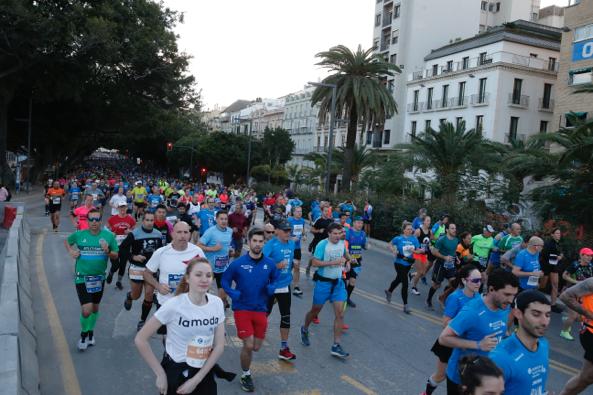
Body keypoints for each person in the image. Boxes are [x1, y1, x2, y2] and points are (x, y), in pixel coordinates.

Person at [135, 258, 225, 395]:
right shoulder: (174, 305)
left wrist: (196, 380)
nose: (204, 279)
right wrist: (160, 374)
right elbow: (140, 339)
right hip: (176, 372)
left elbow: (219, 346)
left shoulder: (217, 303)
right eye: (198, 274)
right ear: (187, 278)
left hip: (204, 371)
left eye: (208, 275)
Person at [438, 269, 519, 395]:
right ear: (491, 289)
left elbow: (500, 333)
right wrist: (478, 345)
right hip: (462, 379)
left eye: (514, 295)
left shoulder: (504, 307)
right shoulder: (472, 311)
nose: (511, 300)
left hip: (487, 377)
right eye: (507, 294)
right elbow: (443, 338)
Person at [222, 228, 280, 393]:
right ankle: (246, 375)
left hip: (261, 309)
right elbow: (225, 281)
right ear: (249, 242)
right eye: (254, 241)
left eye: (260, 241)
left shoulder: (269, 263)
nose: (257, 244)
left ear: (264, 243)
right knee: (248, 345)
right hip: (242, 308)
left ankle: (247, 364)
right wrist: (232, 293)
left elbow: (276, 277)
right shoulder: (238, 264)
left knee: (255, 347)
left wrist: (272, 287)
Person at [63, 208, 119, 350]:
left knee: (94, 308)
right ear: (87, 221)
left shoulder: (109, 236)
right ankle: (83, 335)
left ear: (101, 221)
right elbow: (67, 241)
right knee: (86, 310)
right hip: (82, 277)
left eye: (97, 219)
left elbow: (115, 255)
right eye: (91, 219)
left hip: (99, 278)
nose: (94, 222)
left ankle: (90, 333)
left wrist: (107, 251)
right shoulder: (80, 235)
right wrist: (71, 251)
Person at [423, 264, 481, 395]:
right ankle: (426, 393)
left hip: (466, 344)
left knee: (464, 379)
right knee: (441, 375)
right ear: (464, 280)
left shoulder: (479, 298)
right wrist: (464, 321)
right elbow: (446, 322)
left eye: (480, 280)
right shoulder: (455, 297)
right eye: (475, 280)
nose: (479, 284)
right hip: (450, 343)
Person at [143, 222, 207, 335]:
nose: (183, 235)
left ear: (190, 234)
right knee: (166, 336)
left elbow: (206, 274)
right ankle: (167, 352)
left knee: (186, 336)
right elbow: (147, 273)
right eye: (179, 232)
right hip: (166, 303)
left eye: (186, 232)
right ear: (172, 234)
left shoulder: (197, 252)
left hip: (190, 304)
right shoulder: (162, 252)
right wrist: (158, 286)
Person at [301, 223, 352, 359]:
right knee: (315, 311)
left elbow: (346, 255)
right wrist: (334, 262)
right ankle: (305, 328)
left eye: (339, 233)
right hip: (323, 283)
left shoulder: (342, 243)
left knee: (340, 314)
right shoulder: (322, 245)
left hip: (338, 283)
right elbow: (315, 263)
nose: (337, 236)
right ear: (329, 233)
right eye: (334, 233)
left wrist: (348, 263)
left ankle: (336, 345)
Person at [489, 290, 551, 395]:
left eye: (547, 315)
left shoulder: (544, 344)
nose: (544, 322)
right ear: (518, 313)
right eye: (536, 314)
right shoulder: (500, 358)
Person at [118, 211, 164, 331]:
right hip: (137, 268)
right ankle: (129, 296)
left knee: (149, 295)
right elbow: (122, 249)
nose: (149, 223)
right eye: (147, 220)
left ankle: (142, 320)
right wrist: (133, 257)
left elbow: (160, 252)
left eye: (151, 220)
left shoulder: (158, 234)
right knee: (136, 295)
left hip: (151, 269)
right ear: (143, 221)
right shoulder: (134, 234)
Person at [263, 221, 296, 361]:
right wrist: (276, 266)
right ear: (277, 231)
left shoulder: (292, 244)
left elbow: (291, 261)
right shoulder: (271, 245)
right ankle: (258, 328)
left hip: (284, 284)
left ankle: (284, 348)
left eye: (289, 230)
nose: (288, 233)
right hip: (271, 285)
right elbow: (261, 263)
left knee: (286, 316)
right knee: (265, 312)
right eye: (285, 231)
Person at [558, 276, 593, 395]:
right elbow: (565, 296)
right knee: (586, 377)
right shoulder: (591, 282)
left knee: (587, 377)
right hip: (591, 333)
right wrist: (587, 313)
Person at [385, 221, 422, 314]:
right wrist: (393, 249)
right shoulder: (399, 238)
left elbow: (419, 251)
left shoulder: (414, 239)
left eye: (411, 229)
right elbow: (389, 244)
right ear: (404, 230)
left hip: (408, 264)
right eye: (408, 229)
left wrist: (416, 251)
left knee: (399, 279)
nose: (410, 231)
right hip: (399, 263)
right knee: (405, 283)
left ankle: (389, 291)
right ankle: (405, 305)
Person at [198, 210, 233, 307]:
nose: (224, 221)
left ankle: (220, 308)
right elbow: (199, 245)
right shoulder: (210, 232)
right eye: (221, 219)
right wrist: (212, 249)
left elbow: (227, 245)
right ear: (216, 220)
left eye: (225, 219)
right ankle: (202, 308)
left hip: (223, 267)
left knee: (223, 295)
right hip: (210, 267)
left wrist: (230, 251)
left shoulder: (230, 231)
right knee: (204, 291)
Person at [560, 247, 593, 341]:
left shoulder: (591, 266)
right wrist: (576, 282)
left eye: (591, 256)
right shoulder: (575, 265)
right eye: (587, 255)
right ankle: (564, 331)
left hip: (585, 294)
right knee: (573, 315)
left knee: (580, 317)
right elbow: (564, 275)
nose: (589, 258)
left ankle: (567, 319)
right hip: (573, 293)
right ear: (581, 255)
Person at [427, 223, 460, 311]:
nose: (454, 230)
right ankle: (429, 300)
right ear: (447, 230)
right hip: (441, 264)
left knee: (454, 283)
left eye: (455, 228)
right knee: (436, 285)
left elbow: (453, 251)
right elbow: (434, 252)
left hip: (450, 265)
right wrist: (444, 257)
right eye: (452, 228)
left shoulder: (456, 240)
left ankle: (443, 297)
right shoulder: (442, 240)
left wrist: (456, 258)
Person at [105, 202, 136, 289]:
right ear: (118, 208)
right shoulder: (112, 219)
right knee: (115, 264)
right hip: (114, 244)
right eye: (120, 207)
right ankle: (111, 273)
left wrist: (129, 231)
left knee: (122, 265)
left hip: (125, 245)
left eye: (124, 207)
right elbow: (105, 229)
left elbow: (134, 230)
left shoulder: (130, 219)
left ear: (126, 208)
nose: (122, 209)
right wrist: (111, 233)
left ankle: (119, 281)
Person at [540, 228, 564, 313]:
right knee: (542, 286)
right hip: (546, 267)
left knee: (555, 285)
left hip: (554, 267)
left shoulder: (559, 244)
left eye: (559, 233)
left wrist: (560, 256)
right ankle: (536, 300)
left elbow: (561, 253)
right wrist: (556, 257)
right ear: (552, 234)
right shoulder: (547, 243)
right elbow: (544, 254)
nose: (559, 235)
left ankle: (553, 305)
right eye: (557, 233)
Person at [345, 216, 367, 307]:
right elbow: (345, 247)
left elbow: (363, 245)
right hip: (346, 259)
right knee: (343, 280)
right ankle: (337, 296)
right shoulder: (348, 232)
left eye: (361, 223)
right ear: (353, 223)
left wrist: (366, 246)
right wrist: (348, 259)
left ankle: (347, 299)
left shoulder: (363, 234)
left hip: (356, 261)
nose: (360, 225)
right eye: (358, 223)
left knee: (352, 281)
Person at [306, 206, 333, 278]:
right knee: (314, 257)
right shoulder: (318, 220)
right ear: (322, 212)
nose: (327, 213)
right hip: (317, 242)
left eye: (328, 211)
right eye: (325, 211)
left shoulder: (331, 221)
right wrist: (318, 230)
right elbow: (311, 230)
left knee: (324, 258)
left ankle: (319, 273)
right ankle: (308, 267)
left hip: (327, 243)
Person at [411, 215, 432, 295]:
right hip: (417, 253)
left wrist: (430, 246)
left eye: (429, 221)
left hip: (424, 254)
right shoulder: (418, 231)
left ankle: (412, 275)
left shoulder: (430, 232)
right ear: (423, 221)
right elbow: (412, 241)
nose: (429, 222)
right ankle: (414, 287)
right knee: (420, 272)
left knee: (423, 272)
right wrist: (417, 249)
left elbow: (428, 242)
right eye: (427, 220)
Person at [288, 206, 306, 296]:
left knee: (297, 267)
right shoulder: (289, 221)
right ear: (293, 212)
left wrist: (304, 235)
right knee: (288, 266)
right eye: (298, 211)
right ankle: (284, 280)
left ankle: (296, 287)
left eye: (301, 211)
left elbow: (303, 230)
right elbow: (283, 234)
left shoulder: (302, 221)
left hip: (297, 248)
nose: (300, 213)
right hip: (288, 247)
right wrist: (291, 238)